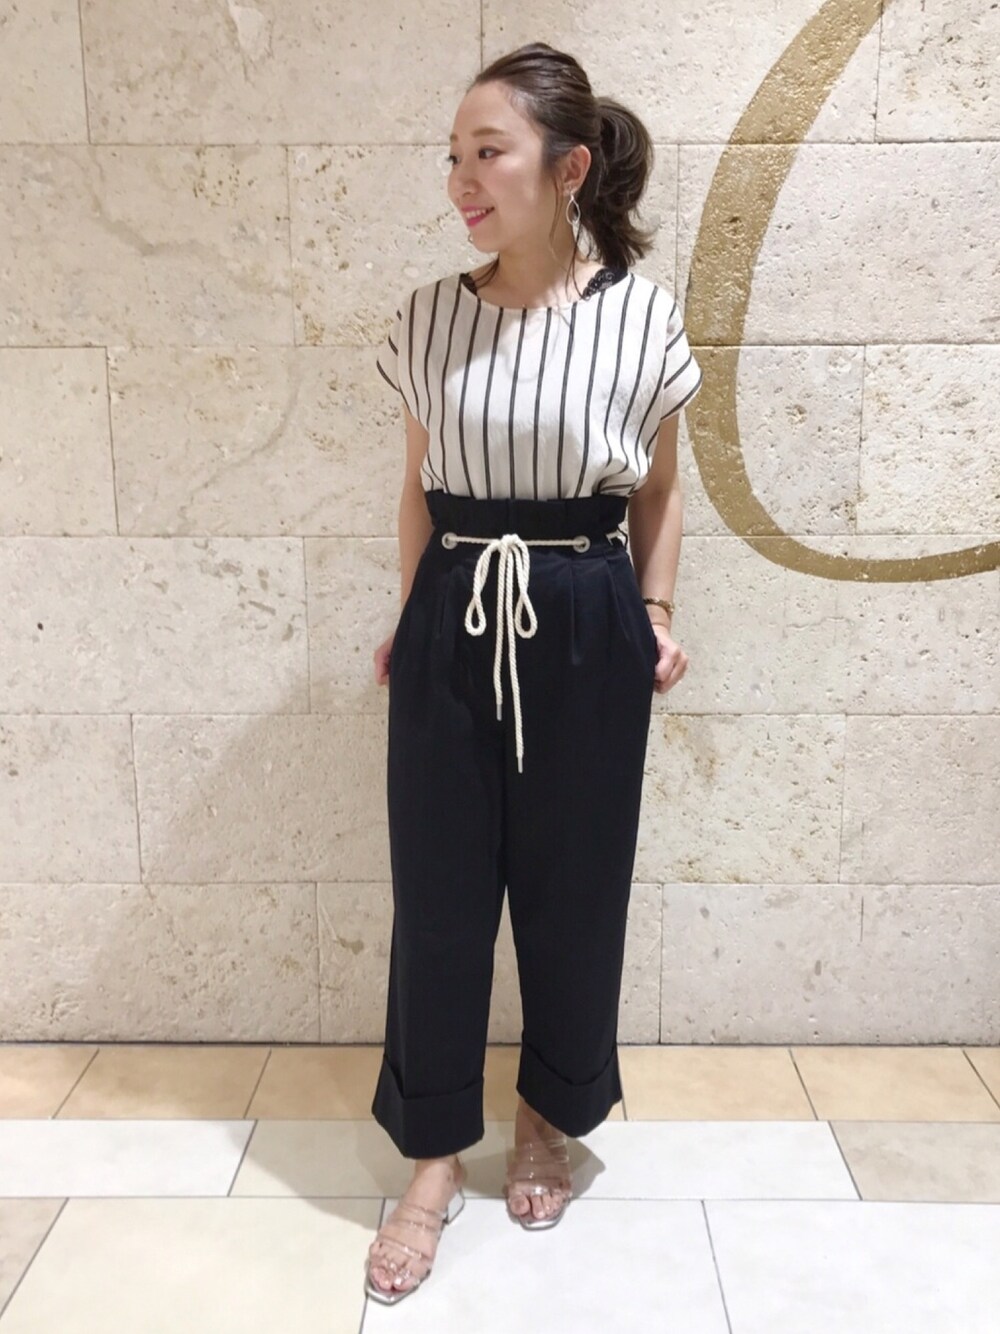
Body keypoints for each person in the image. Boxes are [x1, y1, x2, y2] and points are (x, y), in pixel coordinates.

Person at [365, 40, 703, 1305]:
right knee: (439, 894)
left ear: (567, 169)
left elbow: (660, 489)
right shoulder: (428, 315)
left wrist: (654, 609)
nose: (461, 178)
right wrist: (412, 613)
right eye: (453, 155)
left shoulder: (641, 315)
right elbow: (416, 485)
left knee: (574, 887)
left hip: (584, 610)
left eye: (487, 152)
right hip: (455, 603)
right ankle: (431, 1157)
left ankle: (547, 1113)